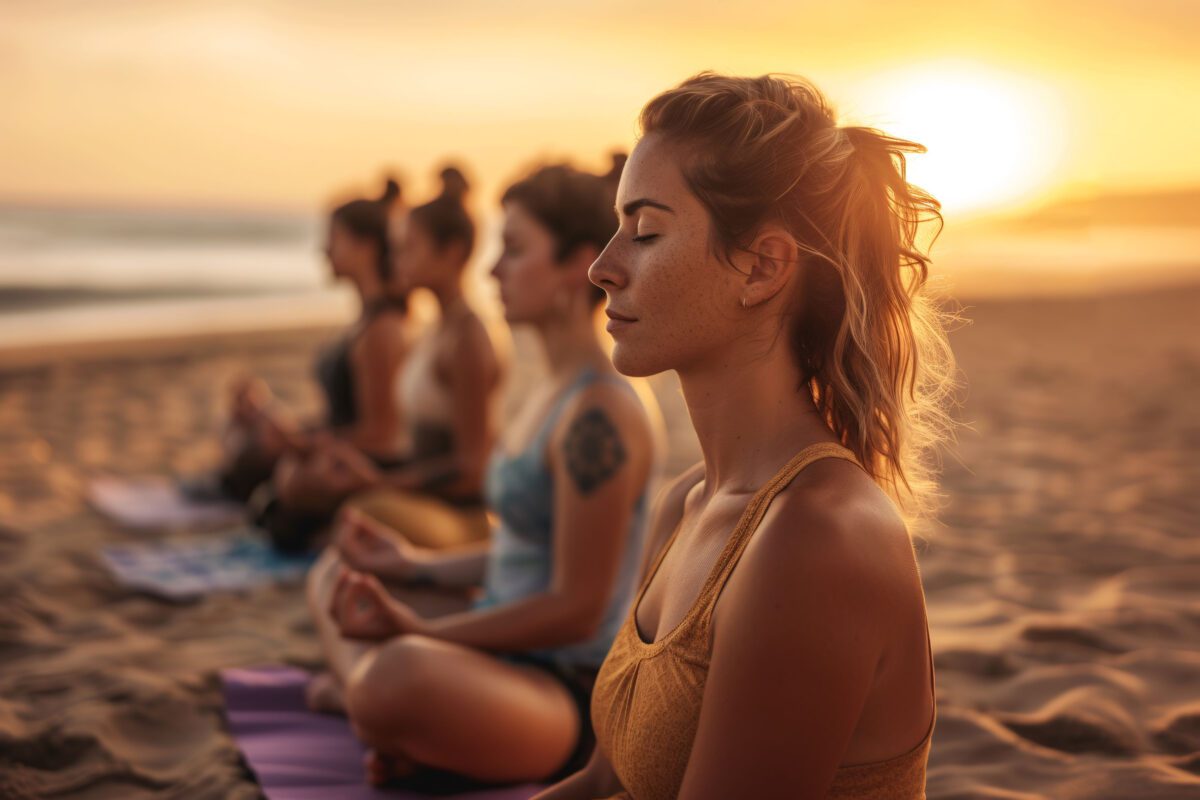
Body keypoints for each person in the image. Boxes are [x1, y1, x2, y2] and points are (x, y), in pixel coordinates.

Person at [536, 73, 956, 799]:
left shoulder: (817, 539)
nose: (603, 269)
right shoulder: (688, 504)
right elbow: (604, 782)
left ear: (762, 267)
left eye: (644, 232)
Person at [305, 158, 663, 790]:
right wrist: (411, 563)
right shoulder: (550, 388)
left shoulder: (599, 414)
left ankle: (376, 705)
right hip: (501, 651)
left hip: (560, 693)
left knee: (396, 675)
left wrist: (427, 631)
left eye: (515, 249)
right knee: (339, 575)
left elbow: (577, 611)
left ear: (575, 264)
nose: (493, 269)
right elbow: (521, 549)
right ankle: (397, 719)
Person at [270, 167, 503, 551]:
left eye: (408, 248)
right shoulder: (437, 328)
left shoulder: (467, 339)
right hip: (420, 492)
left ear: (452, 254)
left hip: (462, 513)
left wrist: (378, 483)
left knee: (357, 515)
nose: (395, 259)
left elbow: (472, 470)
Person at [218, 179, 409, 504]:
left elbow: (382, 435)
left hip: (352, 463)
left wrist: (301, 444)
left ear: (366, 247)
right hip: (334, 448)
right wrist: (282, 425)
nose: (324, 248)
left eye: (334, 238)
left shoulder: (383, 330)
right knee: (244, 427)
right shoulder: (366, 321)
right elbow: (343, 419)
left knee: (279, 472)